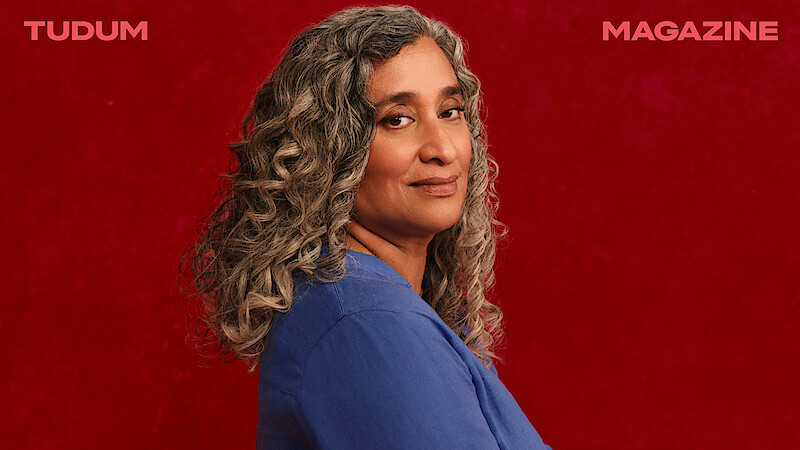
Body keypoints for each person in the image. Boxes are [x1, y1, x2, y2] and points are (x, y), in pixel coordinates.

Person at [185, 5, 550, 449]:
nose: (443, 149)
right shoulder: (366, 320)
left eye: (450, 111)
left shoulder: (359, 301)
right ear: (330, 152)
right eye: (397, 119)